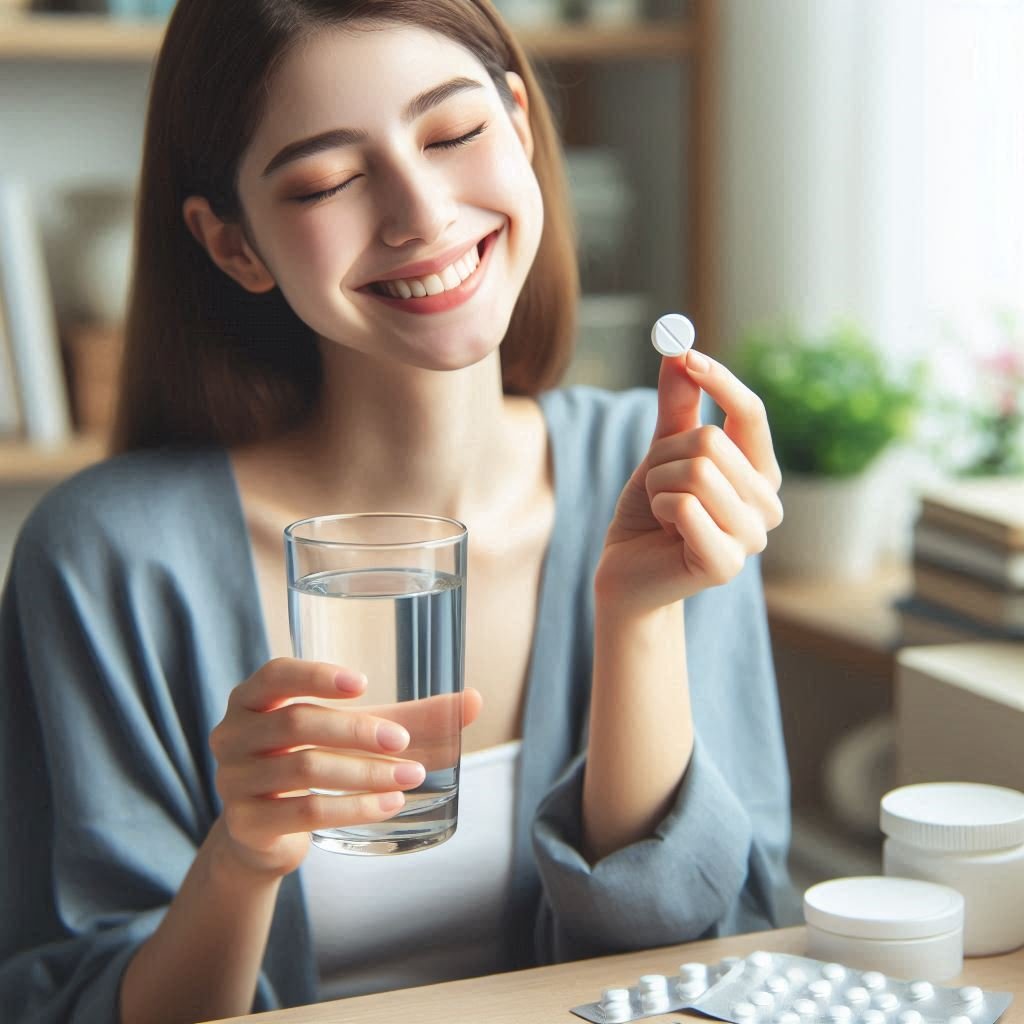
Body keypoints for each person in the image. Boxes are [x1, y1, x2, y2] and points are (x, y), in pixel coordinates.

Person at [0, 1, 796, 1021]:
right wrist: (241, 856)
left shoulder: (660, 471)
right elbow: (69, 1003)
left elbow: (700, 966)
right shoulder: (107, 559)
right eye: (327, 179)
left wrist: (637, 619)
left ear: (519, 123)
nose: (419, 213)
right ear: (233, 243)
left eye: (454, 133)